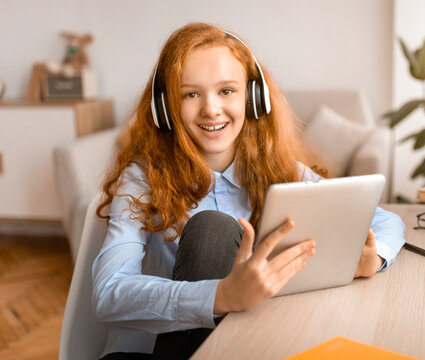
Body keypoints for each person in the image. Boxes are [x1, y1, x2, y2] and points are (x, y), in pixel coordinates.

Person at [92, 22, 405, 360]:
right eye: (191, 94)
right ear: (166, 107)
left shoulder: (282, 175)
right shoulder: (142, 179)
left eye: (226, 91)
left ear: (254, 99)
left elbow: (383, 218)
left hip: (247, 345)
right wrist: (221, 295)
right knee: (211, 228)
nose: (211, 109)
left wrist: (373, 259)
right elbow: (109, 293)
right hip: (152, 351)